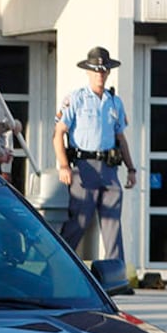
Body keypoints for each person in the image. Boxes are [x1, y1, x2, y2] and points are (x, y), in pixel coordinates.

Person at [53, 46, 137, 264]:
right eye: (96, 71)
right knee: (79, 221)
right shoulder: (76, 99)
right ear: (88, 72)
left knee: (112, 224)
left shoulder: (114, 101)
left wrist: (131, 168)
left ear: (108, 72)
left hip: (109, 167)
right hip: (84, 167)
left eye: (104, 71)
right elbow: (58, 133)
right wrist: (63, 166)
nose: (100, 74)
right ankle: (59, 266)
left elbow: (121, 138)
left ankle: (115, 273)